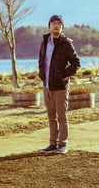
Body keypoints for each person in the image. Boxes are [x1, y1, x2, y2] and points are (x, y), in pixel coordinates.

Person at [39, 14, 80, 154]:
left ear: (62, 27)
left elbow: (76, 62)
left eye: (59, 24)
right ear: (49, 25)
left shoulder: (65, 43)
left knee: (62, 117)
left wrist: (63, 75)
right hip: (47, 86)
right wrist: (41, 74)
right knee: (51, 117)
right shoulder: (45, 42)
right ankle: (52, 144)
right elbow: (42, 61)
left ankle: (62, 145)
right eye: (53, 23)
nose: (56, 25)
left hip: (60, 87)